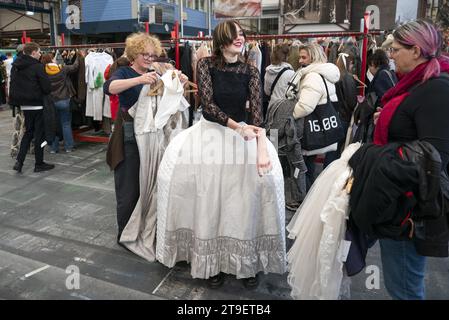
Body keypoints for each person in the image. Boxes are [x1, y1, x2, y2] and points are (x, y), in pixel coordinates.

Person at [156, 20, 286, 290]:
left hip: (243, 136)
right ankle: (210, 261)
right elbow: (208, 106)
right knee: (210, 198)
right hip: (212, 135)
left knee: (244, 199)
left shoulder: (250, 69)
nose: (240, 38)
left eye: (242, 34)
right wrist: (237, 127)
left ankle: (246, 261)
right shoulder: (205, 64)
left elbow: (257, 111)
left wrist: (260, 143)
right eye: (234, 34)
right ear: (222, 38)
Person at [373, 19, 449, 300]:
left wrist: (375, 158)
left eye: (394, 50)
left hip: (409, 210)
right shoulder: (418, 84)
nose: (390, 56)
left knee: (404, 289)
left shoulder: (435, 88)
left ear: (415, 51)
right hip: (400, 201)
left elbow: (433, 159)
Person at [103, 33, 187, 246]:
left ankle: (143, 229)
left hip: (153, 139)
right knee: (128, 188)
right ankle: (125, 234)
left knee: (149, 187)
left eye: (152, 55)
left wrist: (180, 83)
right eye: (145, 54)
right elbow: (109, 88)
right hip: (129, 138)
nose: (150, 58)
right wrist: (139, 79)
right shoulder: (123, 71)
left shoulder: (155, 73)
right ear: (133, 53)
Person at [292, 43, 340, 189]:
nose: (300, 61)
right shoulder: (324, 73)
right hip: (319, 127)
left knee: (304, 168)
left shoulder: (312, 76)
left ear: (313, 57)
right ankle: (309, 195)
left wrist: (291, 114)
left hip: (309, 130)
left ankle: (305, 198)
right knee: (310, 165)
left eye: (303, 57)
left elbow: (305, 107)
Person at [9, 42, 54, 173]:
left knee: (28, 133)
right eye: (39, 52)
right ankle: (39, 163)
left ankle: (19, 161)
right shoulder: (38, 67)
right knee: (39, 135)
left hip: (24, 105)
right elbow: (46, 88)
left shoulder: (16, 66)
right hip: (38, 105)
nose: (40, 54)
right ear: (33, 52)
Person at [41, 52, 82, 153]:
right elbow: (75, 67)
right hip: (64, 100)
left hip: (50, 102)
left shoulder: (42, 71)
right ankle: (69, 147)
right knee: (66, 124)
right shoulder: (62, 68)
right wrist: (79, 56)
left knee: (53, 124)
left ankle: (54, 149)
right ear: (52, 60)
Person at [263, 43, 295, 111]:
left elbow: (267, 92)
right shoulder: (291, 73)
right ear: (287, 56)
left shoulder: (268, 71)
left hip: (272, 107)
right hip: (285, 108)